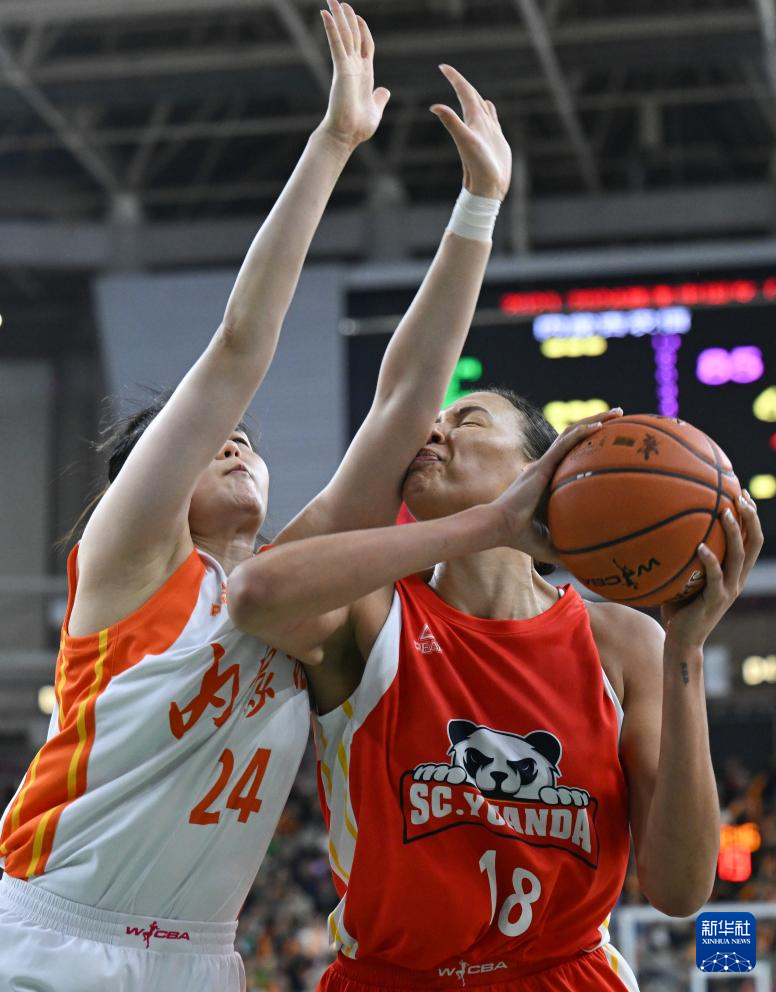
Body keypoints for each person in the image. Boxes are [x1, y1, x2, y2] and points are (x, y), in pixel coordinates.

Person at [0, 0, 497, 992]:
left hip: (200, 957)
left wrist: (479, 207)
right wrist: (333, 142)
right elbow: (238, 349)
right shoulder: (128, 561)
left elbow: (402, 405)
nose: (235, 441)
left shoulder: (286, 586)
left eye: (248, 443)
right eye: (208, 441)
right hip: (52, 931)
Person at [229, 384, 763, 992]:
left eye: (469, 420)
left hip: (566, 975)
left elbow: (681, 889)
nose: (432, 432)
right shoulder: (371, 614)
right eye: (433, 421)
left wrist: (685, 651)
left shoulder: (621, 642)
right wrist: (489, 524)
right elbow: (253, 593)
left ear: (541, 469)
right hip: (394, 979)